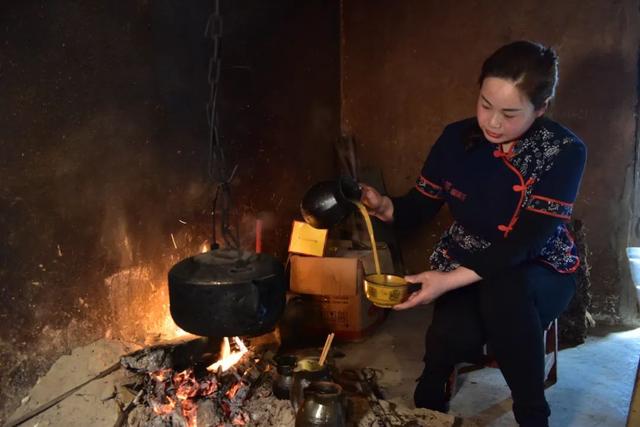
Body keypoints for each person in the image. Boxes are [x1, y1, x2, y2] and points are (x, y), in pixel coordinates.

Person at [360, 40, 586, 427]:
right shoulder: (455, 138)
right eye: (485, 104)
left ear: (541, 109)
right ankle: (431, 392)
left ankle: (532, 413)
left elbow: (523, 243)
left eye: (510, 113)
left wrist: (446, 281)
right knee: (451, 334)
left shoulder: (563, 151)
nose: (492, 123)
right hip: (468, 259)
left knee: (506, 294)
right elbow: (420, 205)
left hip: (539, 266)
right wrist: (385, 206)